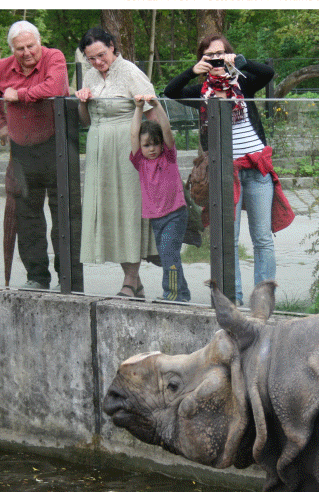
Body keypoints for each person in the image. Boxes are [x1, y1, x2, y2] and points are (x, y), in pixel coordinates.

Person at [164, 35, 294, 305]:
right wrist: (192, 71)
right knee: (228, 240)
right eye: (211, 55)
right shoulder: (200, 93)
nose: (217, 59)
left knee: (262, 238)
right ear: (202, 59)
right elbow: (171, 91)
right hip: (224, 171)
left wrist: (239, 62)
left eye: (222, 53)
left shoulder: (243, 82)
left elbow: (268, 72)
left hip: (256, 167)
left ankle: (263, 300)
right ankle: (232, 300)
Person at [75, 27, 161, 298]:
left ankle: (130, 279)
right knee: (110, 213)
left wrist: (156, 155)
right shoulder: (89, 75)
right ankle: (133, 281)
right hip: (99, 150)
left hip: (128, 148)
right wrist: (82, 101)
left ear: (112, 46)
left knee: (129, 211)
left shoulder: (131, 72)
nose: (98, 62)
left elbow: (154, 113)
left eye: (101, 55)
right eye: (91, 58)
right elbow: (86, 120)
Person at [0, 20, 69, 290]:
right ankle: (37, 277)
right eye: (19, 48)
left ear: (39, 41)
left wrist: (18, 95)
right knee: (27, 216)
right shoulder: (2, 68)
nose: (26, 52)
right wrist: (1, 124)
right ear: (12, 49)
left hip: (55, 145)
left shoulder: (54, 57)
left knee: (63, 214)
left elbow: (54, 88)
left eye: (30, 45)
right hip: (21, 150)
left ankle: (68, 279)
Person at [130, 95, 191, 302]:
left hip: (175, 214)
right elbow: (133, 134)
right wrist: (138, 109)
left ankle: (172, 293)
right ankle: (181, 293)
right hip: (156, 218)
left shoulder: (168, 156)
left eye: (155, 144)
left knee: (168, 253)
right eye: (146, 145)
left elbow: (166, 131)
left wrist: (156, 105)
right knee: (169, 255)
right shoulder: (140, 162)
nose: (152, 149)